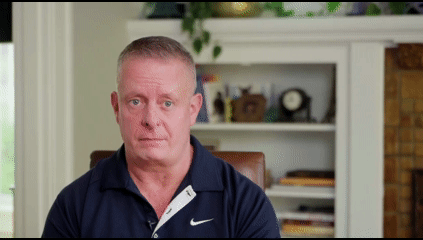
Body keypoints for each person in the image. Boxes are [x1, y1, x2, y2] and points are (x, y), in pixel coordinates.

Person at [41, 36, 280, 238]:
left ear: (193, 110)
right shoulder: (74, 204)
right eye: (136, 101)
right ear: (116, 108)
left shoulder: (247, 204)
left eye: (167, 103)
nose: (151, 119)